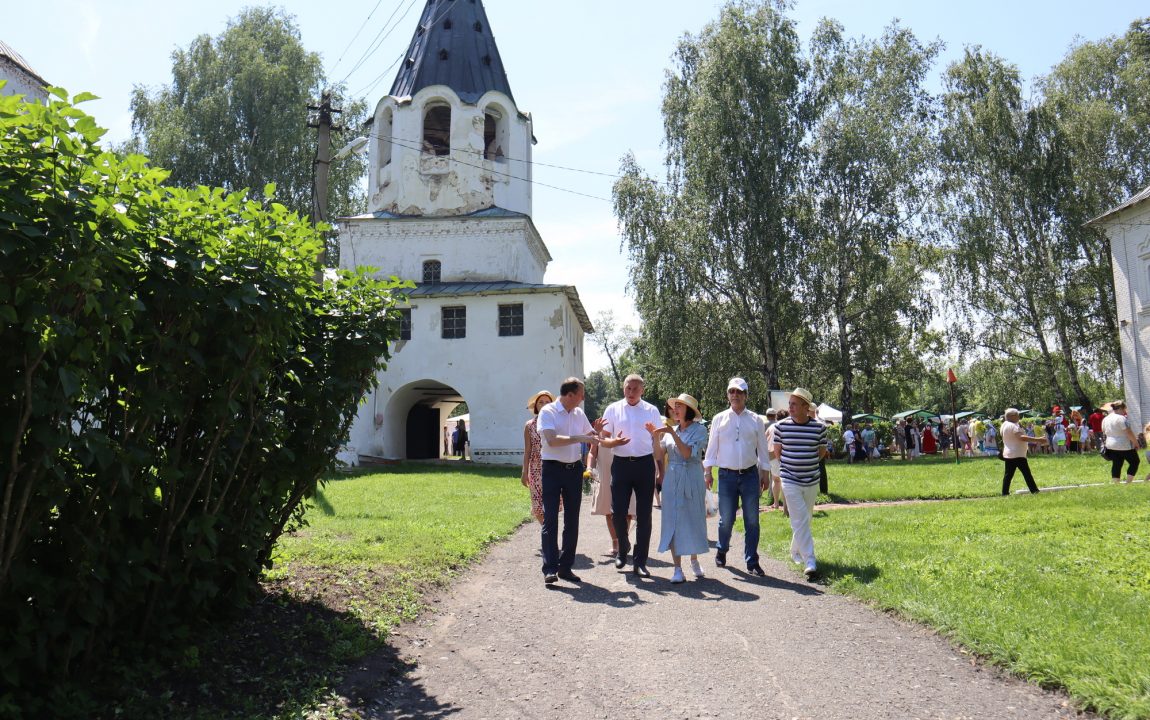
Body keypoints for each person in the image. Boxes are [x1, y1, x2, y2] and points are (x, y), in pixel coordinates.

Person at [537, 377, 606, 585]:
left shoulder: (578, 413)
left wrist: (598, 432)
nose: (583, 398)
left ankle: (566, 567)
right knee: (550, 519)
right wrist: (580, 438)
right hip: (551, 469)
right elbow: (551, 440)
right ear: (570, 395)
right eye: (581, 394)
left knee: (572, 520)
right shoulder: (548, 411)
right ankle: (550, 569)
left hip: (573, 469)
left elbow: (590, 435)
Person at [703, 377, 772, 576]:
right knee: (727, 519)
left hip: (750, 475)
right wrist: (708, 471)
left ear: (746, 395)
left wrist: (764, 473)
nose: (735, 395)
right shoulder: (719, 418)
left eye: (739, 392)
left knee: (752, 520)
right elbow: (712, 447)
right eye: (732, 392)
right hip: (726, 476)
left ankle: (752, 561)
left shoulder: (756, 420)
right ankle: (722, 548)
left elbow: (763, 449)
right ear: (728, 395)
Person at [600, 374, 661, 577]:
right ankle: (623, 547)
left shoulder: (652, 410)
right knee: (618, 512)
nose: (631, 392)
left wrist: (660, 465)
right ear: (623, 388)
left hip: (644, 465)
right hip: (621, 465)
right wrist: (614, 442)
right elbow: (603, 440)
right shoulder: (613, 409)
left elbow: (657, 442)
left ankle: (640, 561)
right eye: (628, 388)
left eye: (635, 389)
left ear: (643, 390)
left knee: (644, 515)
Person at [649, 393, 709, 583]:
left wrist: (672, 433)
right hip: (672, 479)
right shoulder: (670, 430)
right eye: (674, 406)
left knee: (692, 519)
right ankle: (677, 568)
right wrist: (656, 437)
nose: (675, 409)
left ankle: (694, 559)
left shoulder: (699, 430)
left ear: (689, 410)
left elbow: (687, 454)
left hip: (692, 478)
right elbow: (658, 455)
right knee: (673, 521)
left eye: (680, 406)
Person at [771, 387, 829, 582]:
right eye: (790, 404)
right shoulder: (781, 427)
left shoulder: (819, 428)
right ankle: (810, 562)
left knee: (806, 518)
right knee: (799, 518)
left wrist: (807, 464)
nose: (790, 408)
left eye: (794, 404)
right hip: (789, 479)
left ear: (806, 407)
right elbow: (778, 453)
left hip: (812, 479)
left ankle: (795, 550)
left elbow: (821, 452)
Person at [587, 439, 635, 557]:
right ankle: (616, 543)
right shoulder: (599, 430)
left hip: (626, 472)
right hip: (605, 475)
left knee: (627, 511)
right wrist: (589, 468)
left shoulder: (624, 424)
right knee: (609, 510)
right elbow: (592, 452)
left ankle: (623, 540)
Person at [521, 390, 555, 524]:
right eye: (541, 402)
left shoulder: (556, 423)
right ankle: (547, 531)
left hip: (553, 467)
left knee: (552, 504)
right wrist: (525, 471)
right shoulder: (529, 425)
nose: (544, 404)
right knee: (537, 507)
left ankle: (549, 534)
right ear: (536, 406)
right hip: (535, 469)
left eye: (548, 402)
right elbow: (527, 450)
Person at [1000, 408, 1045, 495]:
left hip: (1009, 453)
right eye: (1017, 415)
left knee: (1008, 475)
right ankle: (1034, 491)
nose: (1019, 417)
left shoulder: (1004, 425)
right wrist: (1038, 439)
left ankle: (1004, 492)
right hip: (1017, 453)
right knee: (1027, 473)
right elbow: (1021, 437)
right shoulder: (1013, 426)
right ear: (1012, 416)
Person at [1102, 400, 1140, 484]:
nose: (1125, 412)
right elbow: (1128, 432)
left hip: (1111, 445)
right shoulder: (1121, 418)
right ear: (1120, 408)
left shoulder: (1106, 418)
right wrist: (1135, 443)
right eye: (1124, 409)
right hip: (1124, 445)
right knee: (1135, 462)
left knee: (1117, 464)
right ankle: (1128, 483)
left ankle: (1116, 484)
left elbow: (1104, 431)